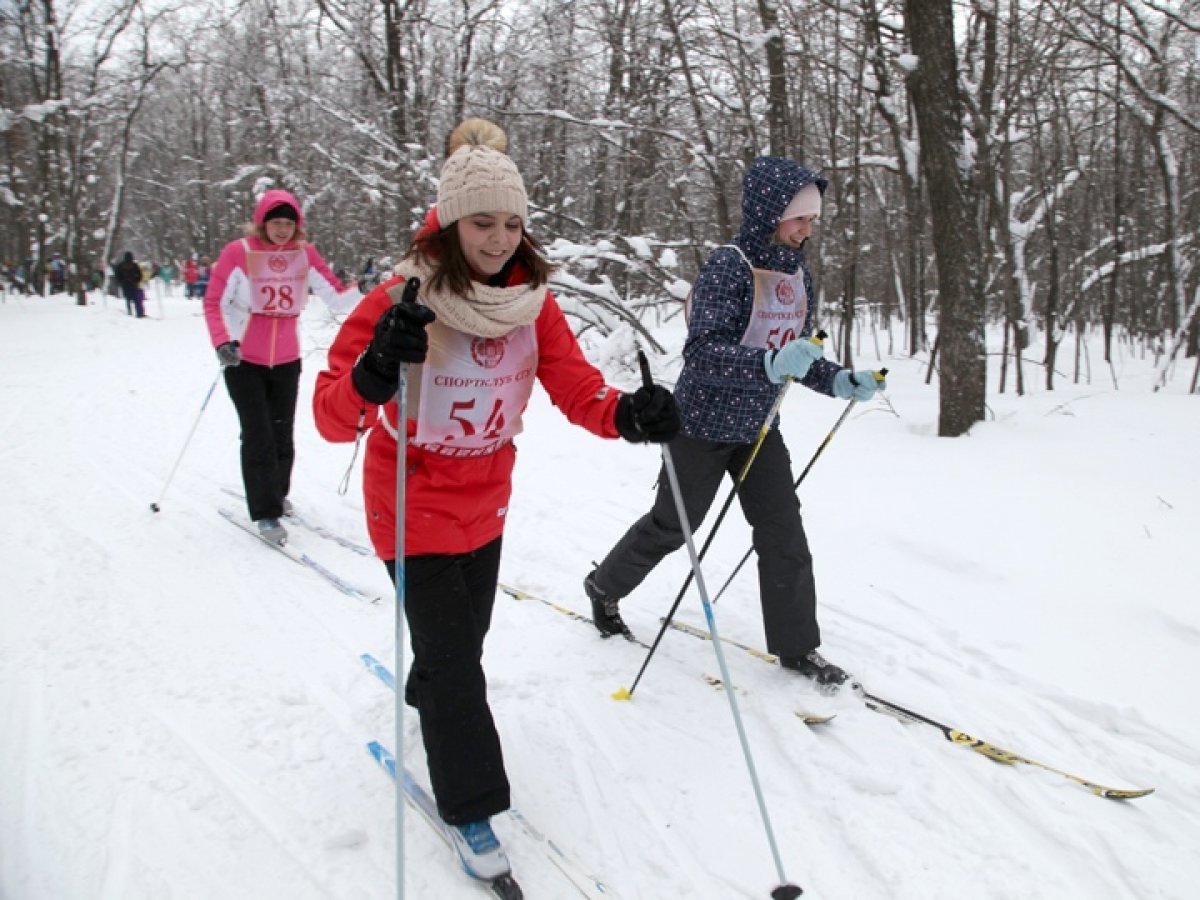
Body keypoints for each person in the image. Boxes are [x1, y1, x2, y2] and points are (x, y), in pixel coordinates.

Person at [312, 119, 679, 884]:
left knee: (459, 645)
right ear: (450, 222)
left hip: (487, 503)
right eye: (483, 221)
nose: (500, 238)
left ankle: (431, 688)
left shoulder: (531, 304)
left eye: (513, 223)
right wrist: (376, 369)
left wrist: (628, 415)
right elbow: (329, 415)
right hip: (409, 506)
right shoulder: (401, 295)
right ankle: (472, 807)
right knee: (456, 664)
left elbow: (576, 387)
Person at [583, 156, 887, 690]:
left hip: (759, 426)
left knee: (783, 533)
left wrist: (838, 379)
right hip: (699, 424)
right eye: (800, 219)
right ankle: (603, 587)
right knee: (673, 526)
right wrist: (768, 365)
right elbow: (703, 352)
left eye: (812, 220)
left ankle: (798, 648)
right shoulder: (730, 266)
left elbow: (798, 354)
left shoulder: (798, 273)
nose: (807, 229)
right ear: (772, 213)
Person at [204, 189, 362, 544]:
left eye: (288, 223)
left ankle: (276, 493)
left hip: (287, 359)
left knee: (281, 433)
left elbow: (335, 298)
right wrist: (222, 341)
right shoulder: (239, 253)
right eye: (275, 222)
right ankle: (266, 512)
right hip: (243, 359)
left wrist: (362, 288)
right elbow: (214, 302)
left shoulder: (303, 255)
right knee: (258, 433)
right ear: (262, 222)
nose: (281, 229)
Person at [114, 251, 145, 317]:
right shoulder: (134, 265)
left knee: (127, 298)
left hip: (125, 284)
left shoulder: (120, 265)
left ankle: (129, 311)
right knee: (136, 299)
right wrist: (137, 280)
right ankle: (139, 313)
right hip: (133, 284)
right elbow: (140, 275)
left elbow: (117, 275)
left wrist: (121, 282)